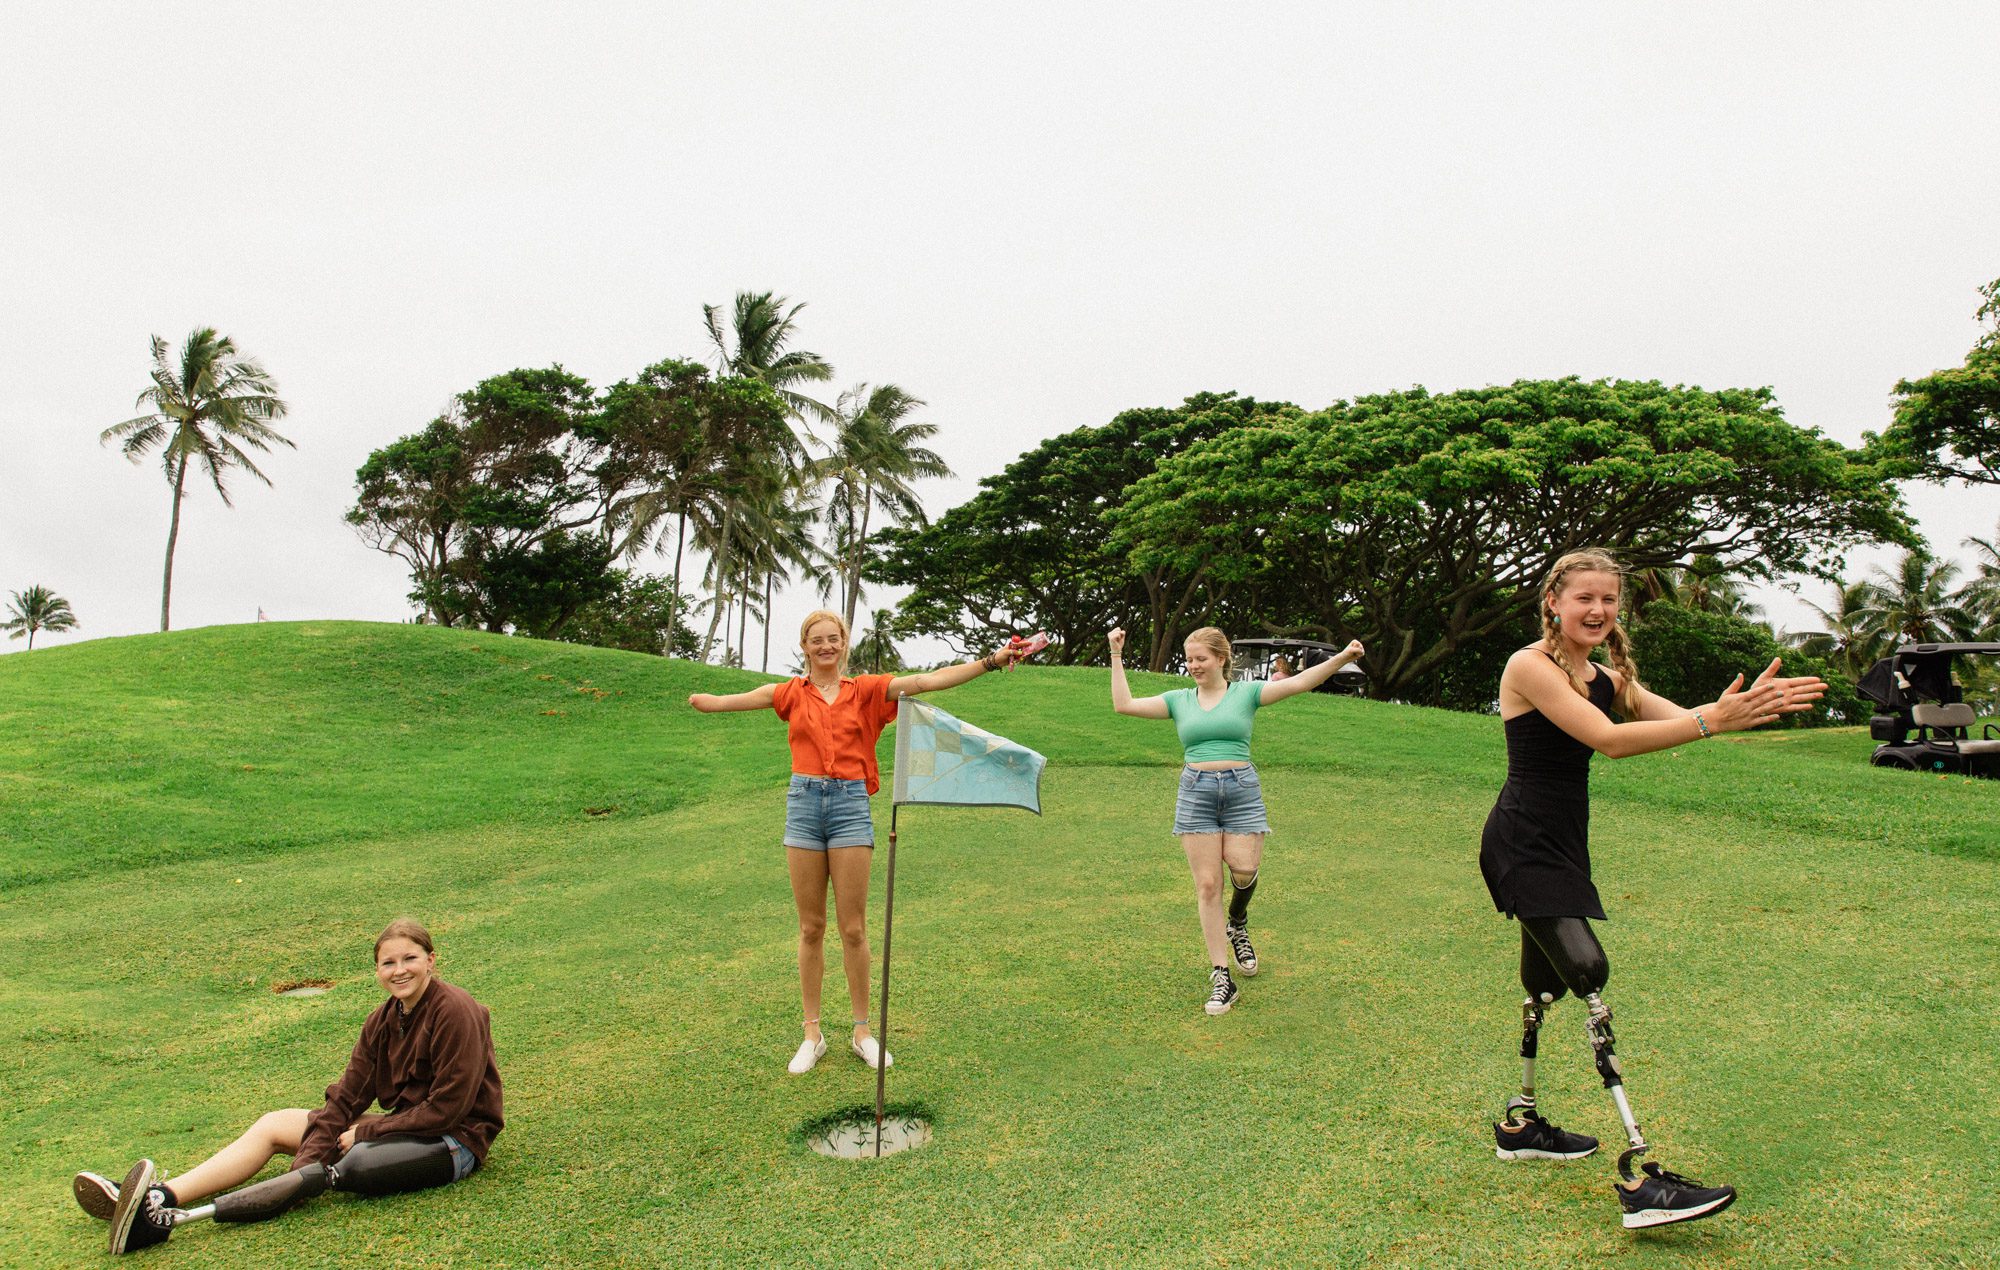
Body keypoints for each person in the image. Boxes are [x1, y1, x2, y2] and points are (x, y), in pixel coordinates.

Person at [1480, 549, 1824, 1230]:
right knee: (1586, 970)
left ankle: (1523, 1127)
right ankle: (1641, 1173)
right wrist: (1711, 720)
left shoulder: (1604, 676)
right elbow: (1611, 741)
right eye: (1584, 598)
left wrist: (1735, 709)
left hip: (1561, 843)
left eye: (1609, 599)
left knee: (1543, 984)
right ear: (1553, 602)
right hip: (1522, 844)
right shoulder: (1530, 666)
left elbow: (1682, 718)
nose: (1598, 610)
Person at [689, 610, 1031, 1074]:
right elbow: (733, 700)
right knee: (811, 927)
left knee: (853, 928)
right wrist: (702, 701)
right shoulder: (790, 693)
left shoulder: (867, 690)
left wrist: (991, 661)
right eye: (816, 640)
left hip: (850, 805)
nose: (826, 646)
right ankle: (812, 1034)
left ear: (844, 643)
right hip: (803, 805)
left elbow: (928, 681)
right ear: (805, 646)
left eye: (833, 639)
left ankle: (862, 1032)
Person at [78, 919, 502, 1255]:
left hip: (454, 1140)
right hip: (408, 1127)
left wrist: (367, 1131)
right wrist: (306, 1163)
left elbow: (448, 1109)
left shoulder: (456, 1011)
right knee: (274, 1124)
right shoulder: (381, 1020)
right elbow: (345, 1099)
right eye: (388, 963)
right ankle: (160, 1197)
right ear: (377, 970)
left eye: (410, 958)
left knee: (356, 1159)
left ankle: (165, 1222)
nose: (400, 970)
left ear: (431, 960)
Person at [1107, 625, 1364, 1014]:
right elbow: (1123, 705)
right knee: (1208, 884)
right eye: (1189, 659)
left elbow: (1299, 683)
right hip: (1196, 792)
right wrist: (1116, 654)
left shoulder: (1246, 694)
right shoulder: (1179, 700)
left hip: (1241, 790)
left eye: (1201, 659)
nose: (1193, 665)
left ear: (1221, 658)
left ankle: (1237, 921)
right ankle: (1221, 976)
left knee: (1244, 870)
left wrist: (1342, 658)